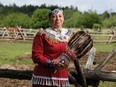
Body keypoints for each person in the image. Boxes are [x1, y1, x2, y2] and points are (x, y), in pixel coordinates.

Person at [31, 8, 75, 87]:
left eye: (60, 16)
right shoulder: (42, 34)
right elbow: (36, 56)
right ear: (49, 19)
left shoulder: (70, 35)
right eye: (54, 16)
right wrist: (51, 63)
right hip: (44, 78)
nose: (58, 19)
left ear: (63, 18)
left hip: (62, 77)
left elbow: (74, 52)